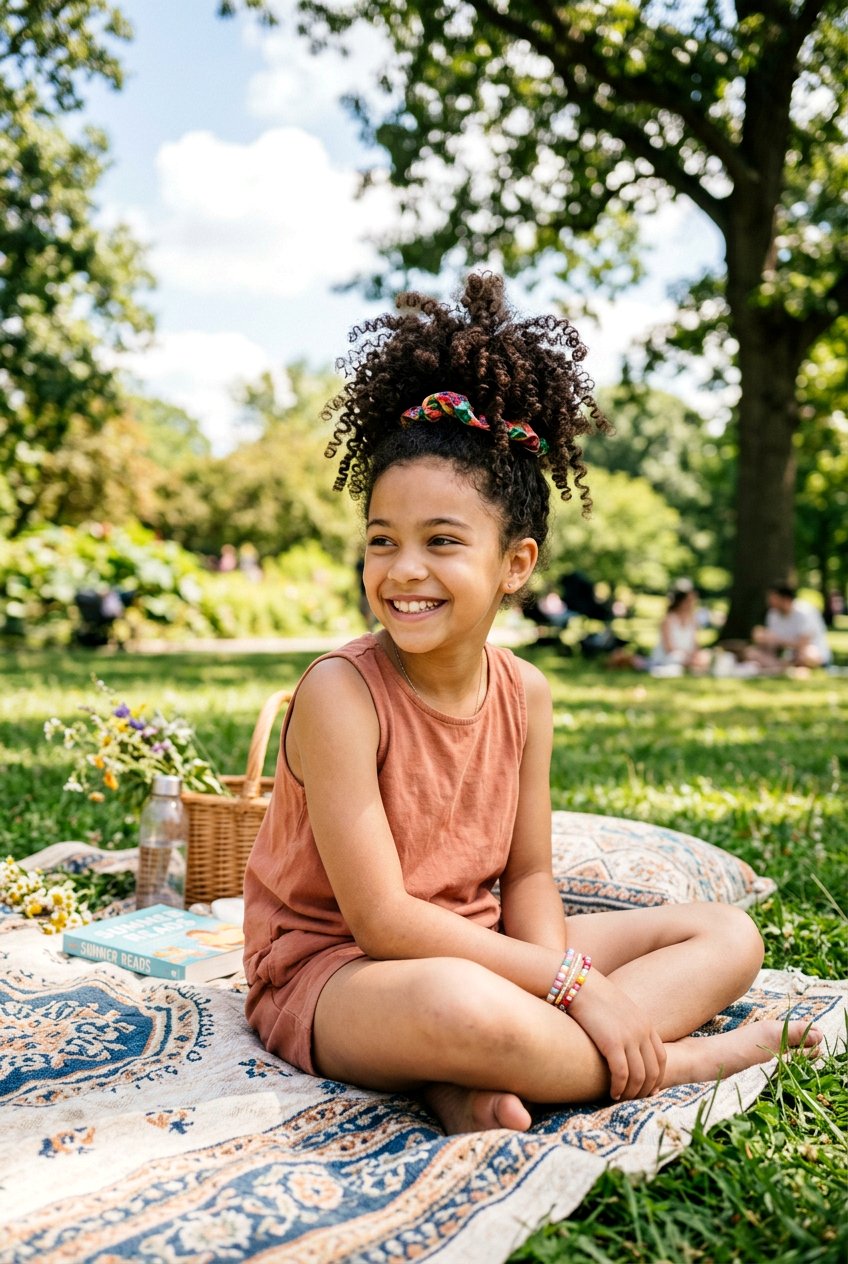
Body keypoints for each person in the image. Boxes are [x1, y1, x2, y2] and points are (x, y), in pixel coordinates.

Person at [243, 273, 820, 1135]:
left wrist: (552, 972)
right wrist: (575, 988)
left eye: (442, 542)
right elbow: (384, 919)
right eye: (381, 541)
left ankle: (469, 1080)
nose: (403, 570)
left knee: (728, 937)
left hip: (493, 948)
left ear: (515, 564)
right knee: (459, 1008)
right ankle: (677, 1062)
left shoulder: (527, 693)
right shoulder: (340, 691)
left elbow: (527, 875)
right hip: (342, 970)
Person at [746, 582, 832, 673]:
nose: (769, 601)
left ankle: (784, 667)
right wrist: (763, 640)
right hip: (788, 657)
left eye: (773, 598)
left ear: (785, 599)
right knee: (751, 653)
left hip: (809, 653)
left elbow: (803, 644)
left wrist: (777, 640)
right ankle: (785, 667)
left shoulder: (804, 612)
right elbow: (773, 646)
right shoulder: (772, 614)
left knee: (807, 654)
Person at [649, 580, 711, 676]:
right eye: (689, 601)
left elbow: (695, 644)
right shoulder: (668, 619)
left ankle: (694, 666)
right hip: (669, 656)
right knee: (677, 657)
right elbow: (668, 648)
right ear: (680, 602)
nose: (692, 604)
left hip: (687, 656)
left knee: (705, 656)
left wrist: (696, 655)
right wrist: (687, 657)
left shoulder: (693, 620)